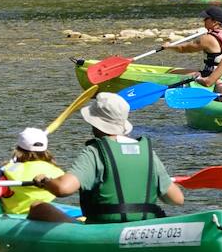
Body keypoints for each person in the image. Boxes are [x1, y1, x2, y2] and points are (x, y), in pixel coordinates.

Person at [29, 92, 185, 223]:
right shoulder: (147, 152)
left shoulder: (95, 151)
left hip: (104, 229)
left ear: (95, 123)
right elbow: (177, 199)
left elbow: (63, 189)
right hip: (144, 225)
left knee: (38, 207)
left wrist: (45, 181)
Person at [0, 127, 70, 222]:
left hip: (14, 220)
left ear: (18, 149)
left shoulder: (11, 170)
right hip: (43, 218)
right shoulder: (57, 171)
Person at [163, 5, 222, 77]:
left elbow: (184, 48)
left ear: (214, 22)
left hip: (212, 76)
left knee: (171, 73)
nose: (203, 20)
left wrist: (169, 47)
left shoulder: (208, 39)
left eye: (206, 18)